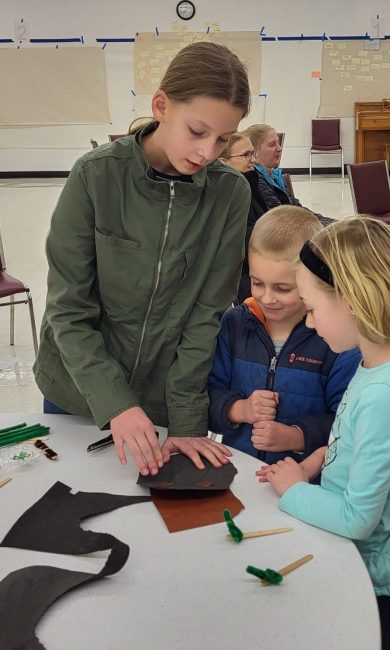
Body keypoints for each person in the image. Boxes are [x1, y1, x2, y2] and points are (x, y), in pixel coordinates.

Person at [33, 42, 252, 477]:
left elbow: (206, 315)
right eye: (197, 131)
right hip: (77, 390)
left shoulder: (229, 194)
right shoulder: (95, 177)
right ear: (161, 106)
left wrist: (188, 420)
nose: (208, 152)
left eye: (223, 139)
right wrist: (114, 402)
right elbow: (69, 309)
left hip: (162, 398)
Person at [257, 216, 390, 650]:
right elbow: (375, 443)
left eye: (312, 308)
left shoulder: (384, 394)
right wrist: (319, 458)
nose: (307, 324)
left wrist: (292, 489)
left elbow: (359, 519)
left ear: (353, 303)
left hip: (387, 575)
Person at [208, 206, 361, 465]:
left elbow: (349, 424)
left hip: (306, 487)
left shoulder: (336, 341)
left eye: (282, 288)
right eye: (257, 283)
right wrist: (239, 409)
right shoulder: (234, 324)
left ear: (311, 280)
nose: (267, 298)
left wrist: (297, 437)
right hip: (241, 476)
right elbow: (205, 395)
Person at [244, 123, 334, 229]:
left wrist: (331, 223)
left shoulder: (275, 176)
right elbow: (283, 219)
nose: (279, 148)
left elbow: (297, 209)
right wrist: (327, 227)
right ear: (255, 151)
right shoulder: (257, 180)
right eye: (272, 144)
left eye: (278, 143)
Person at [220, 132, 268, 302]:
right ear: (223, 161)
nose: (253, 159)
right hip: (248, 278)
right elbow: (248, 237)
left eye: (252, 153)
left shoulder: (252, 181)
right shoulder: (226, 195)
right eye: (246, 154)